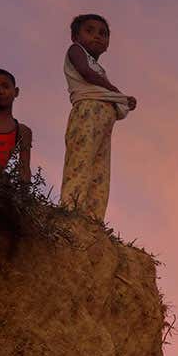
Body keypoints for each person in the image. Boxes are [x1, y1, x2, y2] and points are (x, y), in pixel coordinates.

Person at [61, 13, 138, 220]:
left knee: (100, 168)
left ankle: (92, 218)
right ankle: (70, 209)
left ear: (108, 44)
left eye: (103, 34)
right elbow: (86, 73)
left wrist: (120, 101)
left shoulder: (100, 69)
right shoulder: (76, 51)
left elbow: (98, 80)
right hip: (88, 112)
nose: (97, 36)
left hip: (104, 119)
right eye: (90, 31)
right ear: (75, 36)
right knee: (81, 160)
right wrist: (116, 92)